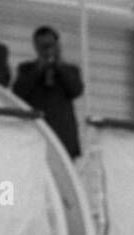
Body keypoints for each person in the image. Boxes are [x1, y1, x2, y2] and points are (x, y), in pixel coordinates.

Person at [12, 27, 84, 159]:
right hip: (36, 134)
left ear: (58, 45)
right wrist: (39, 69)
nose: (47, 49)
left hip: (63, 135)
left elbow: (76, 90)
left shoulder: (70, 70)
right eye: (42, 46)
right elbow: (18, 92)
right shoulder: (26, 69)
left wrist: (59, 66)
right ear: (36, 48)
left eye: (50, 45)